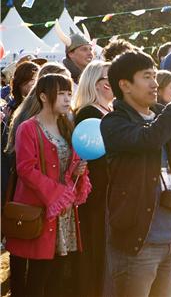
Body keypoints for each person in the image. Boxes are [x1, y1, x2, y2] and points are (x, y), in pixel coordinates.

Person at [100, 51, 171, 297]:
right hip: (137, 241)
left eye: (154, 75)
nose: (154, 84)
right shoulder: (113, 122)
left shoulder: (160, 116)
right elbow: (150, 139)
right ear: (125, 85)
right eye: (147, 77)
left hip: (168, 237)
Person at [6, 74, 91, 297]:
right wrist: (58, 195)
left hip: (63, 213)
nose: (66, 99)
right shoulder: (28, 128)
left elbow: (67, 167)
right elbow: (26, 169)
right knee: (35, 278)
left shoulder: (67, 126)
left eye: (68, 93)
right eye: (60, 93)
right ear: (43, 96)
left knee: (57, 275)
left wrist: (78, 172)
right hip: (41, 209)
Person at [73, 61, 113, 297]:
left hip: (112, 191)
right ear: (95, 83)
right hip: (97, 193)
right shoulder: (88, 113)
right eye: (107, 78)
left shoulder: (111, 110)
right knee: (96, 250)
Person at [1, 61, 39, 203]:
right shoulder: (12, 109)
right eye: (29, 81)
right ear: (19, 84)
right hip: (15, 169)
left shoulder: (38, 109)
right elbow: (8, 150)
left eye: (35, 81)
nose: (32, 85)